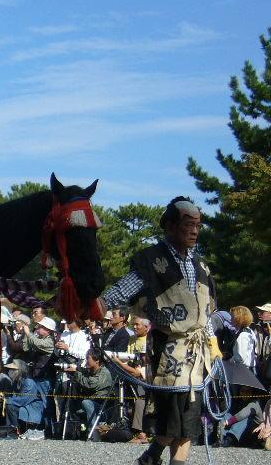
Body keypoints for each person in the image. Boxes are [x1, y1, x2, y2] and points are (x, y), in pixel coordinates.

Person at [100, 196, 221, 465]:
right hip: (169, 350)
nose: (194, 231)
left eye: (198, 226)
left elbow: (207, 311)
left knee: (188, 422)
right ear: (170, 226)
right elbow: (124, 289)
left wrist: (213, 346)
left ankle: (154, 457)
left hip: (197, 353)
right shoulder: (152, 260)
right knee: (170, 420)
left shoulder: (201, 265)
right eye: (188, 224)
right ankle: (152, 455)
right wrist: (100, 304)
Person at [65, 348, 113, 434]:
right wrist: (73, 370)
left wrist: (75, 373)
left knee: (86, 403)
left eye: (88, 358)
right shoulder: (90, 370)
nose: (86, 360)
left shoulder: (104, 373)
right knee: (75, 405)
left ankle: (94, 432)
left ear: (97, 360)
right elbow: (83, 374)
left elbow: (91, 384)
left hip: (103, 408)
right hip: (92, 404)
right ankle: (76, 431)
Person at [0, 359, 43, 440]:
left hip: (31, 407)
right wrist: (1, 397)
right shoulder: (16, 382)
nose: (10, 371)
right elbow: (13, 397)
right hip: (24, 405)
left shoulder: (29, 382)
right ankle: (10, 429)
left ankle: (16, 431)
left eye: (13, 369)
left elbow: (23, 400)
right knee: (4, 405)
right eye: (10, 369)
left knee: (10, 406)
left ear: (20, 370)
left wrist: (5, 399)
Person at [229, 306, 257, 371]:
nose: (230, 320)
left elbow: (241, 358)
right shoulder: (250, 331)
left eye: (232, 317)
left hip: (244, 370)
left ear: (238, 318)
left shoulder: (242, 335)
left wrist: (230, 359)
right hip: (249, 368)